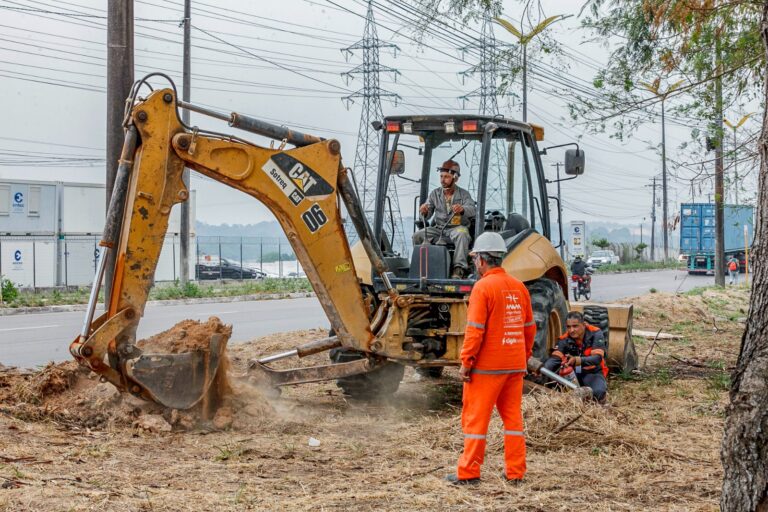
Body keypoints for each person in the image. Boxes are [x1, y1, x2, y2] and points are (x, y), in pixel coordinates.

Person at [445, 232, 536, 485]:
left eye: (475, 258)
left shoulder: (483, 287)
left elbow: (475, 330)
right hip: (514, 366)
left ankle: (469, 473)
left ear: (482, 260)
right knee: (513, 421)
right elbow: (529, 328)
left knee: (476, 421)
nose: (475, 263)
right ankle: (515, 472)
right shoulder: (519, 287)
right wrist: (524, 356)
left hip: (486, 368)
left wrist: (466, 362)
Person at [412, 159, 476, 279]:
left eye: (446, 177)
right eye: (441, 176)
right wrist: (424, 211)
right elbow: (428, 213)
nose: (442, 180)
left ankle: (459, 269)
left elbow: (472, 209)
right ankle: (421, 266)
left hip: (456, 228)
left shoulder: (464, 194)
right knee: (418, 235)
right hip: (439, 229)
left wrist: (462, 209)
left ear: (455, 177)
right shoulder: (434, 194)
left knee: (462, 234)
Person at [543, 311, 608, 403]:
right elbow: (554, 360)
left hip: (592, 372)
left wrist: (577, 360)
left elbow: (597, 359)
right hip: (574, 373)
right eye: (568, 327)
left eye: (575, 326)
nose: (571, 330)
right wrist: (542, 368)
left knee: (598, 394)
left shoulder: (596, 333)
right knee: (555, 390)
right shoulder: (564, 339)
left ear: (584, 324)